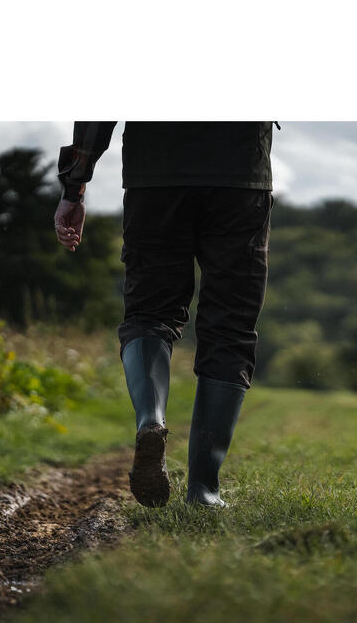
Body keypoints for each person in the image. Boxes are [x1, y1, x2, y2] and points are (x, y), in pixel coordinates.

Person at [54, 122, 275, 508]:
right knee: (230, 327)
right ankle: (204, 490)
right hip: (239, 175)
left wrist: (75, 184)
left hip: (155, 174)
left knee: (150, 312)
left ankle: (150, 420)